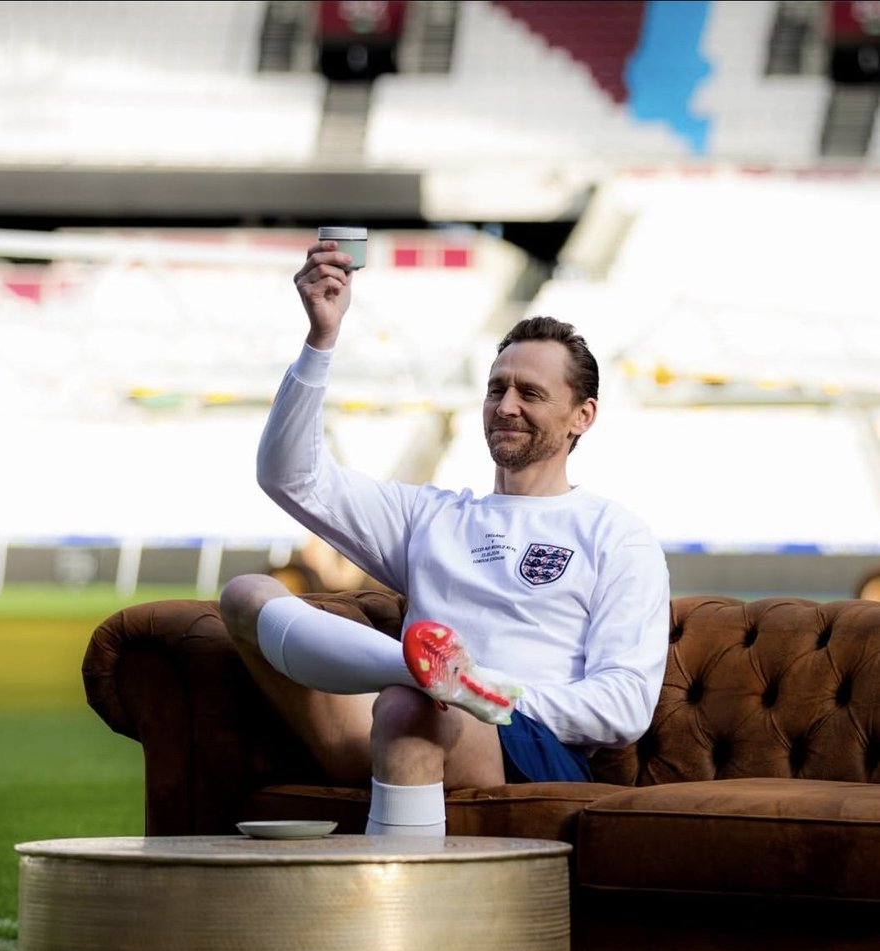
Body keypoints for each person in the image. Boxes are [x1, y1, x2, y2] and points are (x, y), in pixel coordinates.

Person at [219, 237, 671, 836]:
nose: (506, 405)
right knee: (246, 595)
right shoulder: (433, 516)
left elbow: (623, 706)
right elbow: (290, 477)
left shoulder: (616, 535)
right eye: (496, 388)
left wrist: (485, 694)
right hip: (404, 708)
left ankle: (398, 908)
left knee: (411, 708)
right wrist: (321, 339)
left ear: (581, 417)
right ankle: (423, 673)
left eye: (530, 393)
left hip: (522, 742)